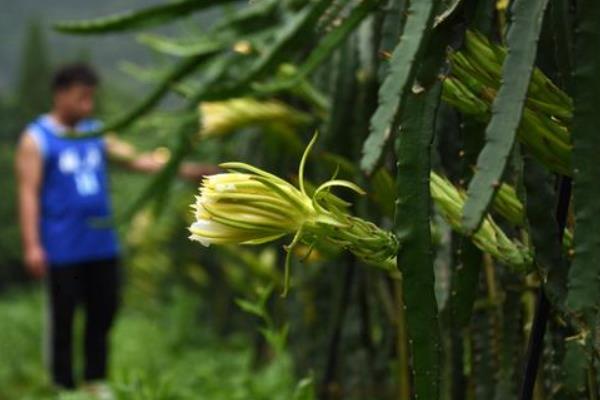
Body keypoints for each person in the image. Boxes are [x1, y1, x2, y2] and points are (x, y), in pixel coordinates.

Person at [14, 63, 215, 394]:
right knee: (62, 319)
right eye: (81, 98)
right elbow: (27, 193)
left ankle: (96, 379)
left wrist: (190, 170)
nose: (87, 106)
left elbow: (140, 160)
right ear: (60, 94)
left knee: (103, 312)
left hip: (102, 244)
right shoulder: (36, 139)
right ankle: (63, 385)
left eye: (91, 98)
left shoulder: (96, 133)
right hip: (62, 247)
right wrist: (32, 245)